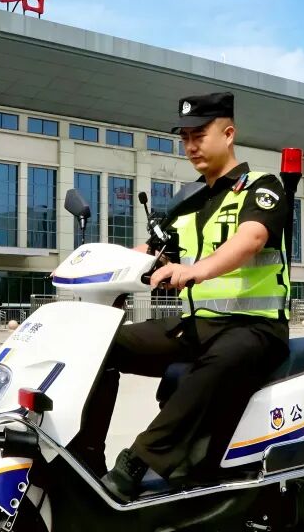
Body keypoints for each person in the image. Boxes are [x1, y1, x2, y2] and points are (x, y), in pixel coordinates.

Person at [73, 91, 291, 501]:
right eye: (185, 137)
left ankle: (137, 463)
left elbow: (252, 238)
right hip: (197, 325)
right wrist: (92, 266)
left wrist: (195, 270)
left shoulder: (260, 187)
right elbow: (150, 253)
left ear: (228, 134)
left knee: (216, 363)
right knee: (101, 346)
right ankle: (84, 458)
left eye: (199, 135)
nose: (190, 146)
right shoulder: (188, 201)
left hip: (255, 329)